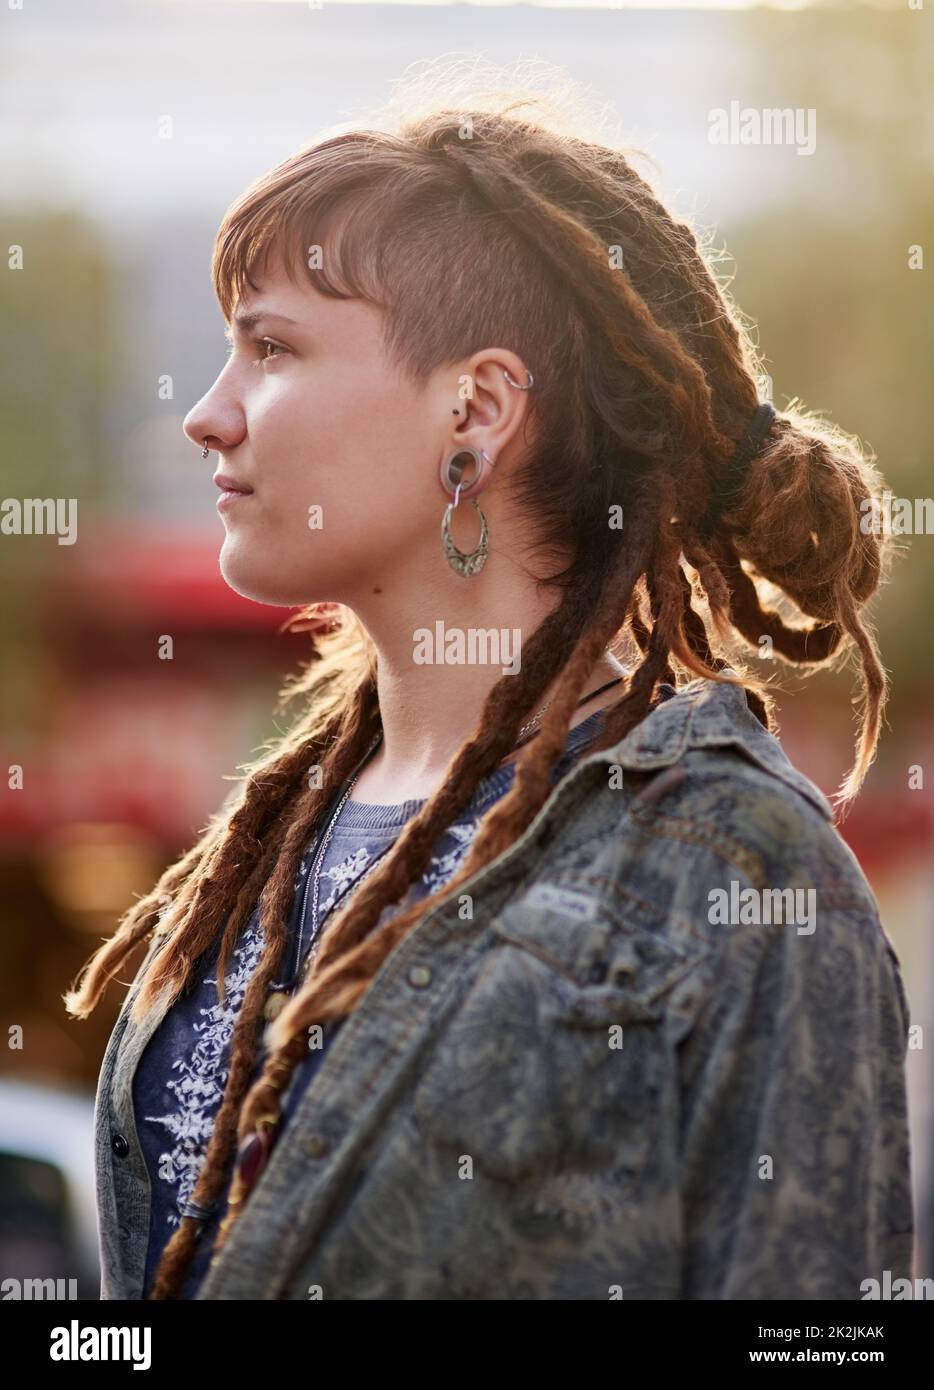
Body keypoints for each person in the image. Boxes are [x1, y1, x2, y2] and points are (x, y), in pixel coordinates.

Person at [66, 67, 913, 1300]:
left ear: (476, 408)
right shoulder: (263, 844)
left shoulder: (733, 865)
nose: (206, 415)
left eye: (270, 348)